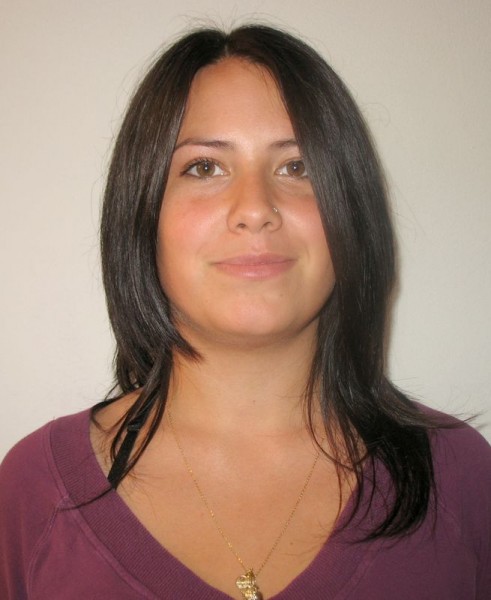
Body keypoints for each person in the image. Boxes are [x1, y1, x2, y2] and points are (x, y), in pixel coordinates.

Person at [1, 24, 490, 600]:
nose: (255, 209)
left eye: (298, 167)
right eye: (204, 167)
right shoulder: (34, 493)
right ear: (142, 214)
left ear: (351, 212)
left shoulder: (462, 479)